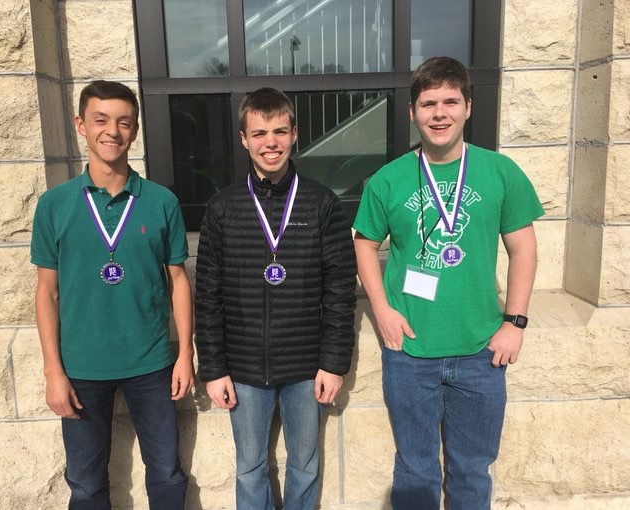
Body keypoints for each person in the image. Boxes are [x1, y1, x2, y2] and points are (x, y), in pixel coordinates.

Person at [352, 56, 544, 509]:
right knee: (415, 469)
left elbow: (525, 249)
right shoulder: (388, 180)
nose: (439, 113)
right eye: (428, 103)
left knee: (472, 470)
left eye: (450, 102)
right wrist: (381, 309)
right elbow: (364, 245)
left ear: (468, 107)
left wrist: (514, 322)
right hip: (410, 353)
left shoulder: (500, 173)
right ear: (412, 113)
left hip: (481, 352)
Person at [31, 80, 194, 509]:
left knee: (166, 474)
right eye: (101, 120)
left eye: (124, 122)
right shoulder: (55, 204)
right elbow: (46, 292)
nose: (112, 131)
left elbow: (178, 281)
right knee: (85, 483)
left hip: (152, 363)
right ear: (81, 125)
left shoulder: (161, 202)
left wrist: (185, 355)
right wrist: (53, 371)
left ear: (135, 130)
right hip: (81, 365)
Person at [194, 87, 356, 510]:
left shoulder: (321, 203)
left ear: (295, 135)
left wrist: (333, 363)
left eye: (280, 131)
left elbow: (341, 288)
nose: (271, 142)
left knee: (304, 463)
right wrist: (213, 368)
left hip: (306, 367)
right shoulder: (223, 207)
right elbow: (207, 295)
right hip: (244, 369)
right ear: (244, 138)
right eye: (260, 132)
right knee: (250, 467)